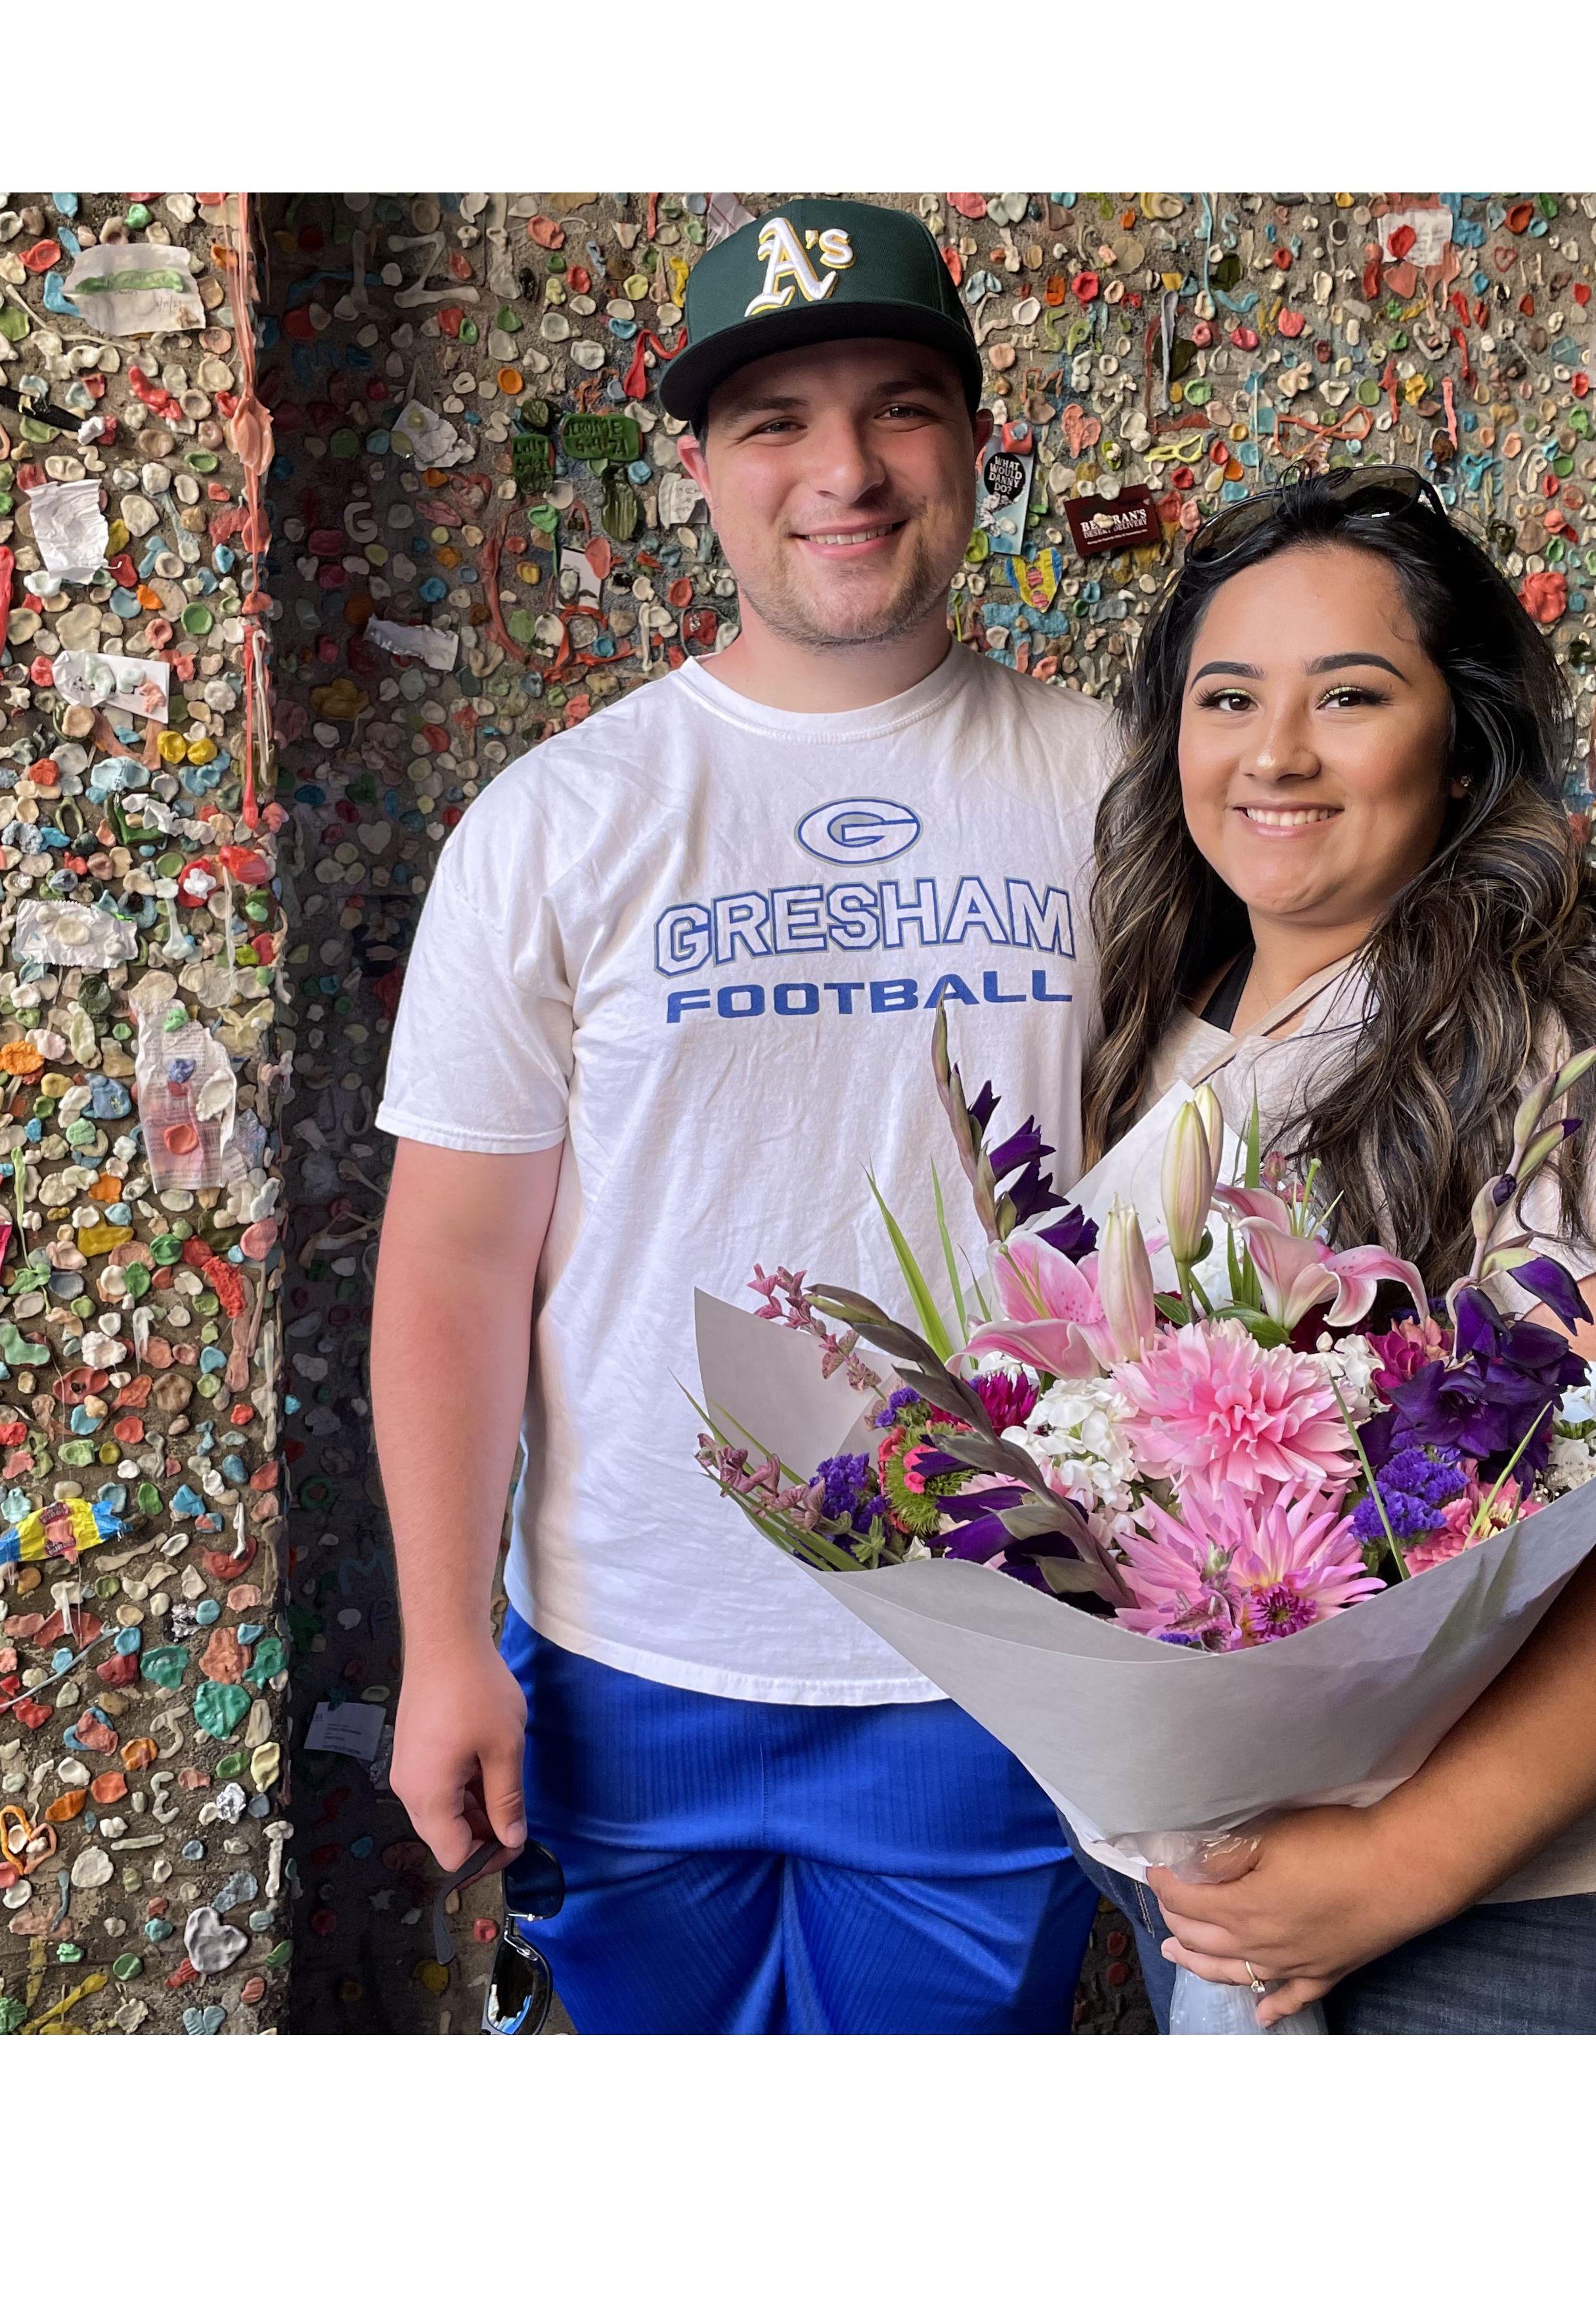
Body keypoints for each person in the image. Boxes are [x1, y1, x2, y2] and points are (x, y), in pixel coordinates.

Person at [368, 198, 1114, 2032]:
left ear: (974, 445)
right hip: (631, 1665)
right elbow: (457, 1271)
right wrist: (446, 1643)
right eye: (776, 418)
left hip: (995, 1660)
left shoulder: (1120, 789)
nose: (843, 470)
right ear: (697, 467)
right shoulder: (555, 821)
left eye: (899, 408)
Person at [1071, 466, 1596, 2033]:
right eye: (1227, 698)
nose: (1274, 751)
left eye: (1347, 693)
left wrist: (1395, 1861)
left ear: (1459, 733)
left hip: (1547, 1898)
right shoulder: (1173, 1031)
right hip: (1239, 1891)